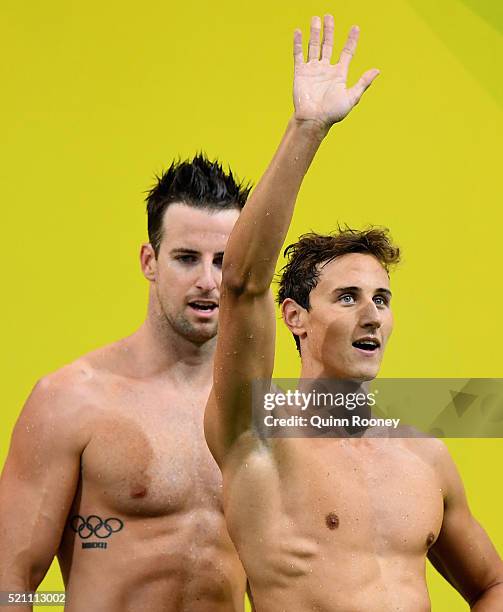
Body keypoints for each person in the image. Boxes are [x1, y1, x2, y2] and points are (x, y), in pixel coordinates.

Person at [204, 14, 503, 611]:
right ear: (295, 317)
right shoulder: (256, 439)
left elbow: (491, 583)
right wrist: (306, 130)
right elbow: (240, 283)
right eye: (347, 297)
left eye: (382, 299)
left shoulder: (425, 457)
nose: (372, 315)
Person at [0, 155, 250, 611]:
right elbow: (11, 578)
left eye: (223, 262)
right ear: (149, 261)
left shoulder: (258, 412)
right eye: (187, 258)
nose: (208, 280)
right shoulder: (70, 401)